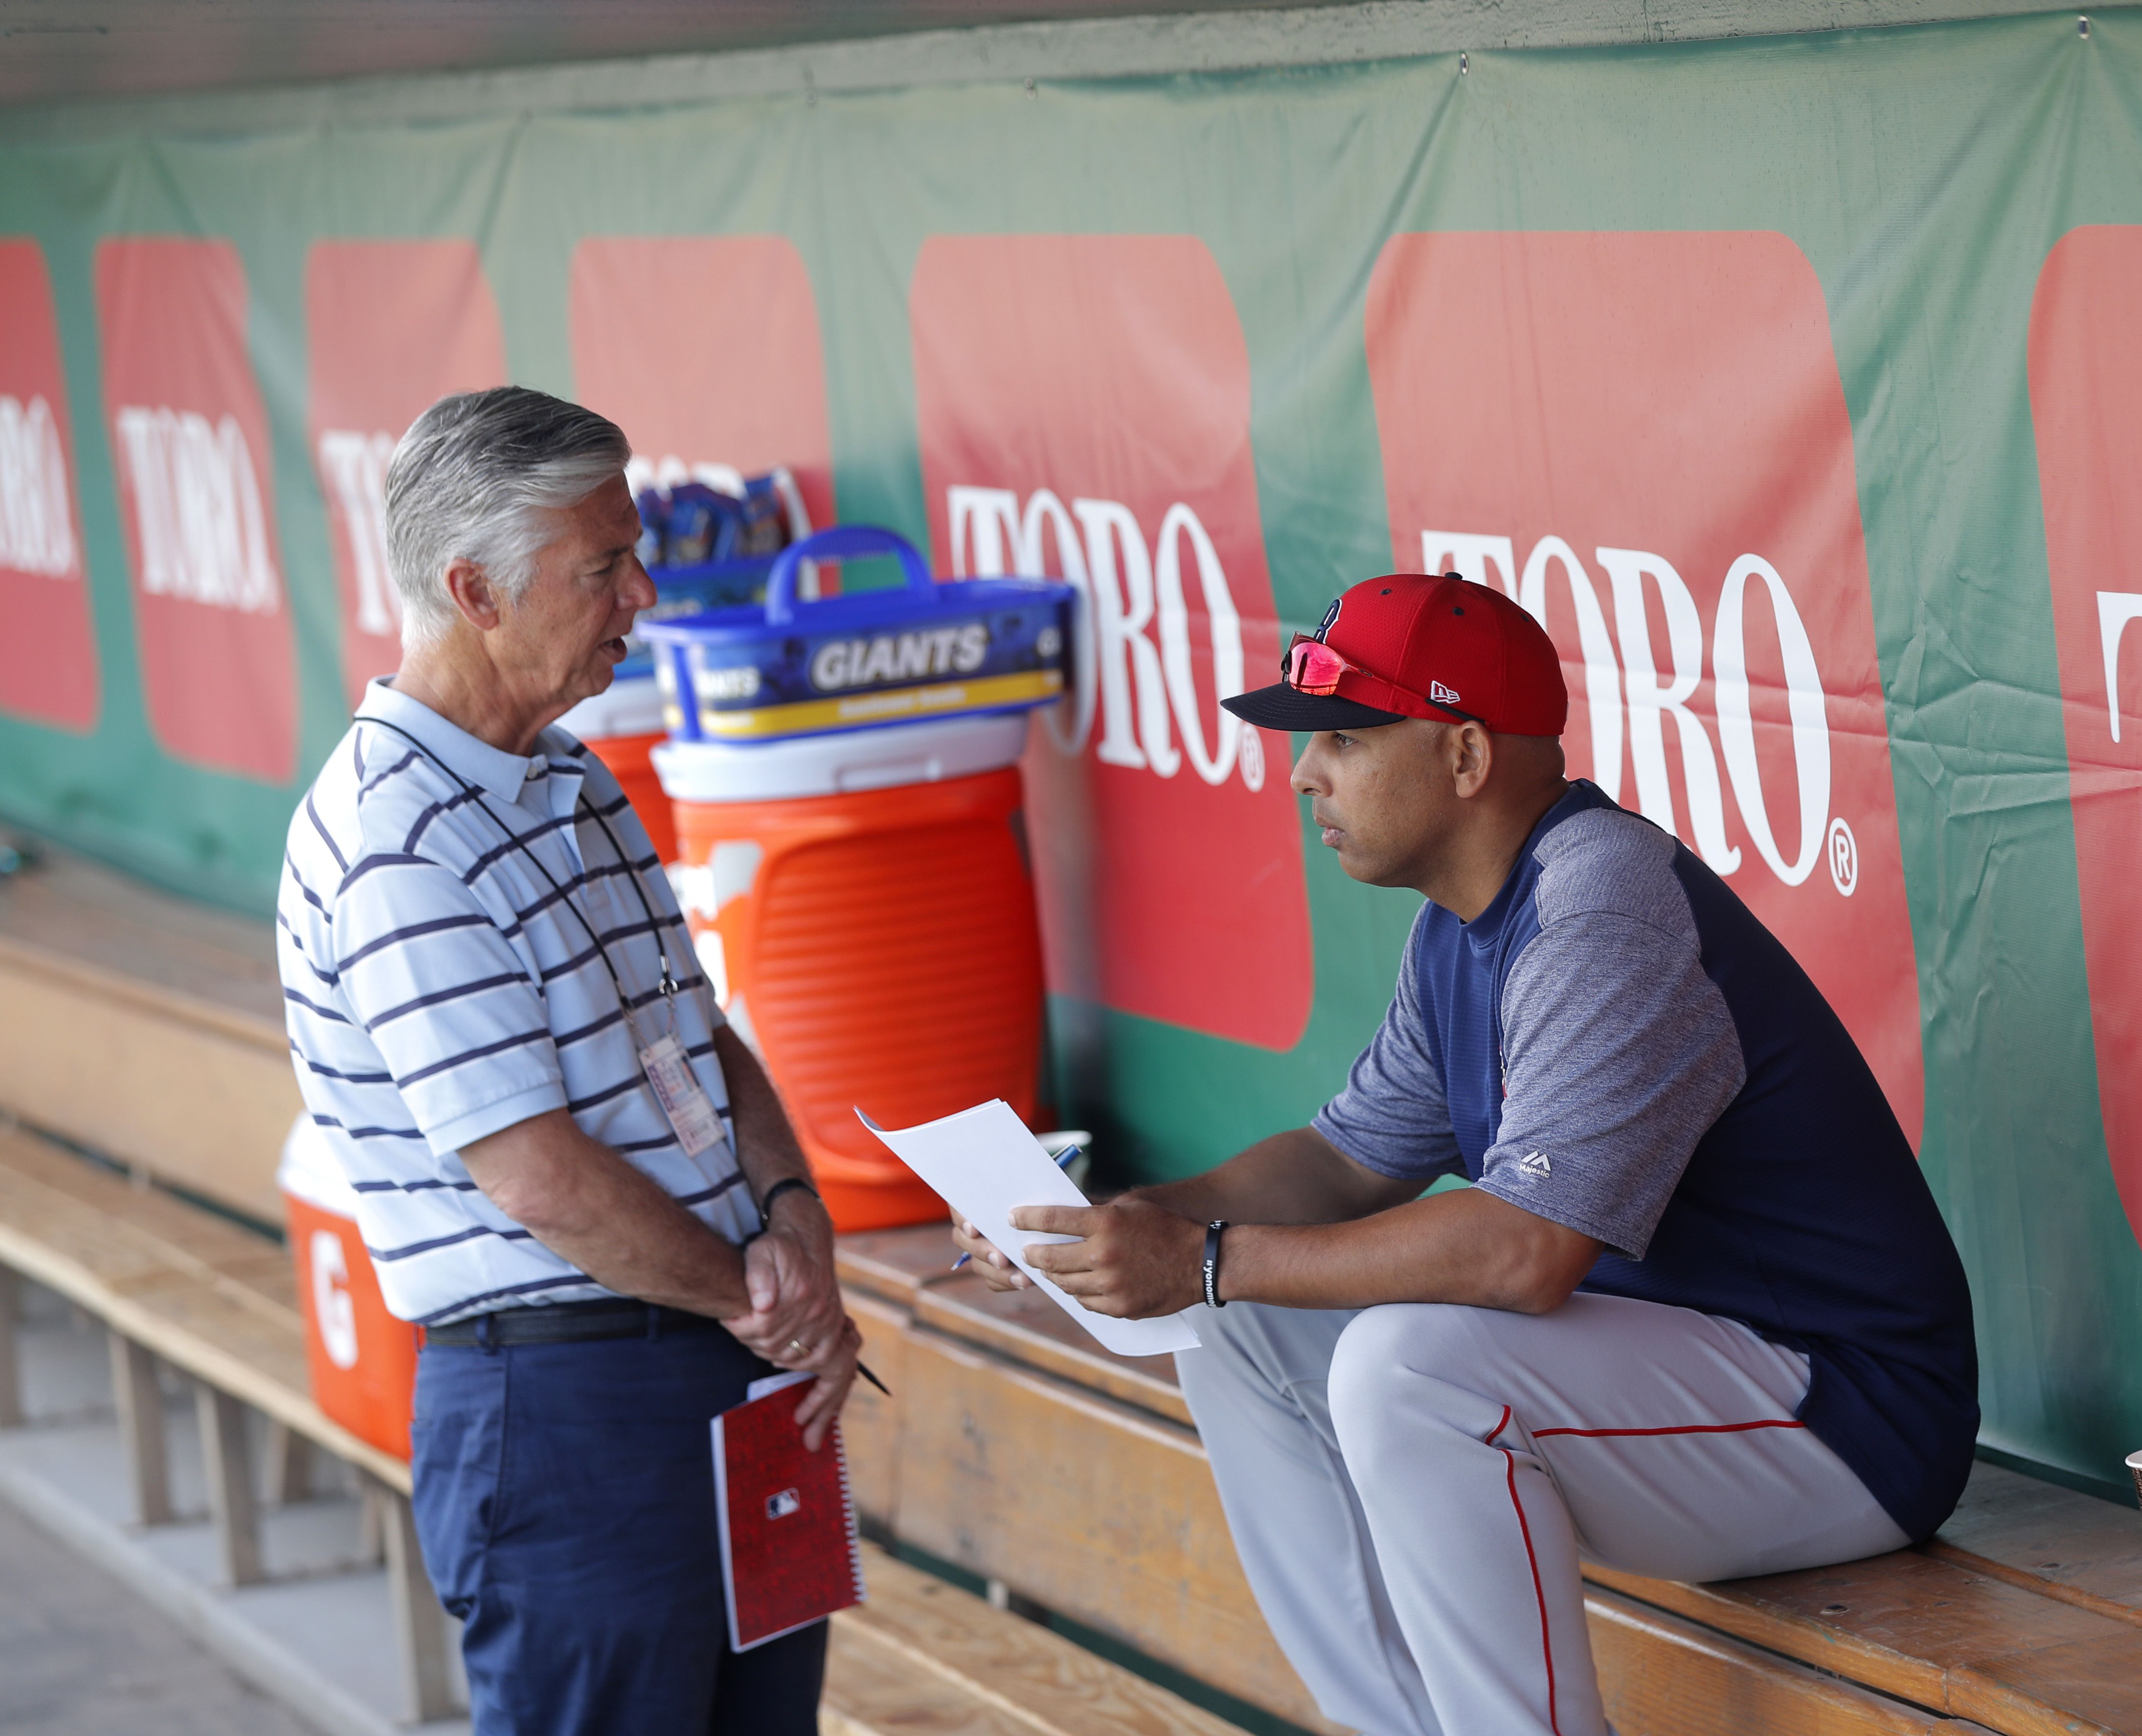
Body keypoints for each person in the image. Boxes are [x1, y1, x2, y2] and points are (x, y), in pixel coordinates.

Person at [953, 572, 1978, 1736]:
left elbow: (1523, 1257)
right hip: (1678, 1388)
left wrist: (1201, 1257)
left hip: (1843, 1416)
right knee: (1242, 1319)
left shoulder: (1601, 908)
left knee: (1411, 1368)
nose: (1304, 775)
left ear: (1468, 757)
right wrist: (1109, 1226)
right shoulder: (1462, 922)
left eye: (1342, 739)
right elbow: (1341, 1167)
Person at [277, 387, 859, 1736]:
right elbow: (537, 1175)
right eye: (602, 566)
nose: (642, 592)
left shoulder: (575, 778)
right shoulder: (397, 840)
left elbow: (703, 1037)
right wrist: (765, 1298)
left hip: (725, 1357)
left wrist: (793, 1217)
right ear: (473, 589)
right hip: (570, 1406)